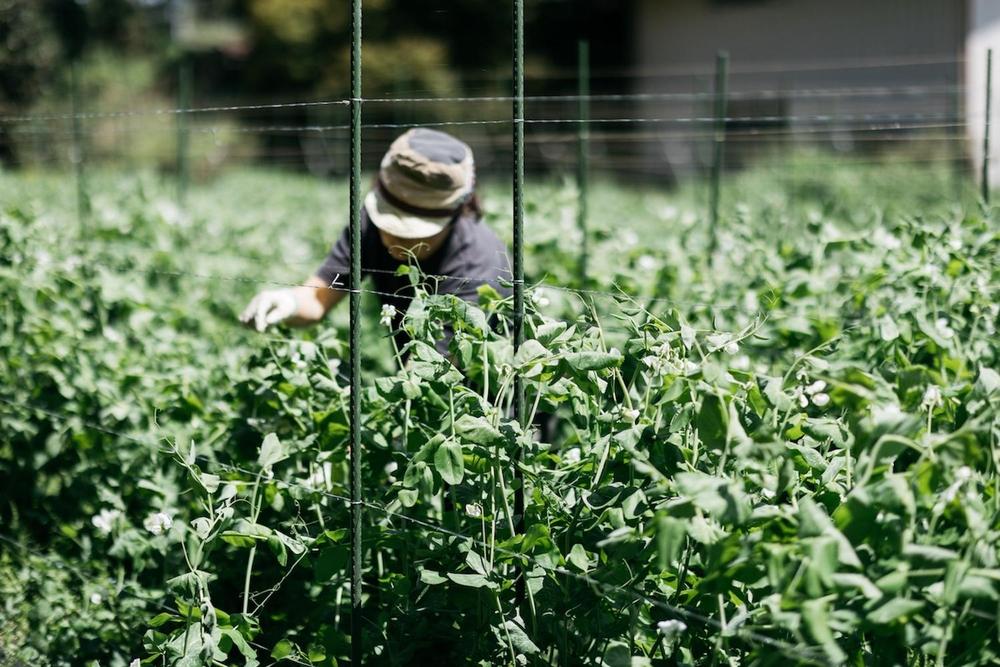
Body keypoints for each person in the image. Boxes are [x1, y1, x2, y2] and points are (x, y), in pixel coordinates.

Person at [239, 128, 512, 354]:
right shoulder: (369, 226)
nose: (396, 238)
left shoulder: (478, 268)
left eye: (416, 232)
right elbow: (320, 295)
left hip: (488, 405)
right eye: (389, 222)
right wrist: (290, 302)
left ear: (455, 216)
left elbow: (433, 377)